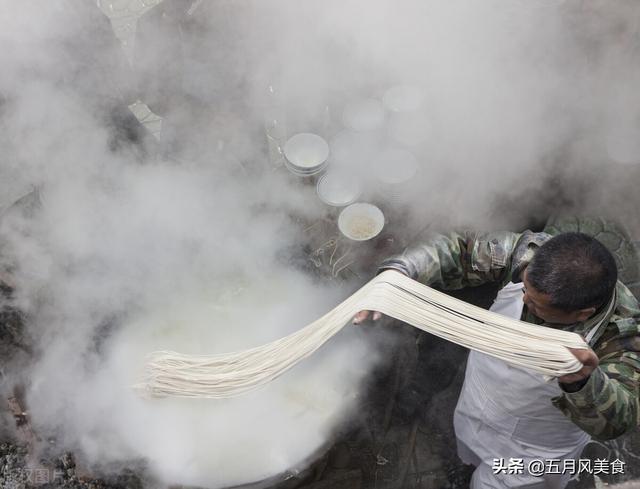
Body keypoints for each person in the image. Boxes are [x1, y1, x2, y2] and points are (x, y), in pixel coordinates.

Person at [354, 230, 640, 489]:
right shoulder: (532, 255)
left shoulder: (620, 337)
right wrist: (402, 271)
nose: (524, 300)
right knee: (468, 441)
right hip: (481, 394)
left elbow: (619, 420)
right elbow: (460, 252)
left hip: (531, 442)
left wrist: (583, 381)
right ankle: (466, 466)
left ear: (581, 314)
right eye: (524, 290)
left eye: (536, 304)